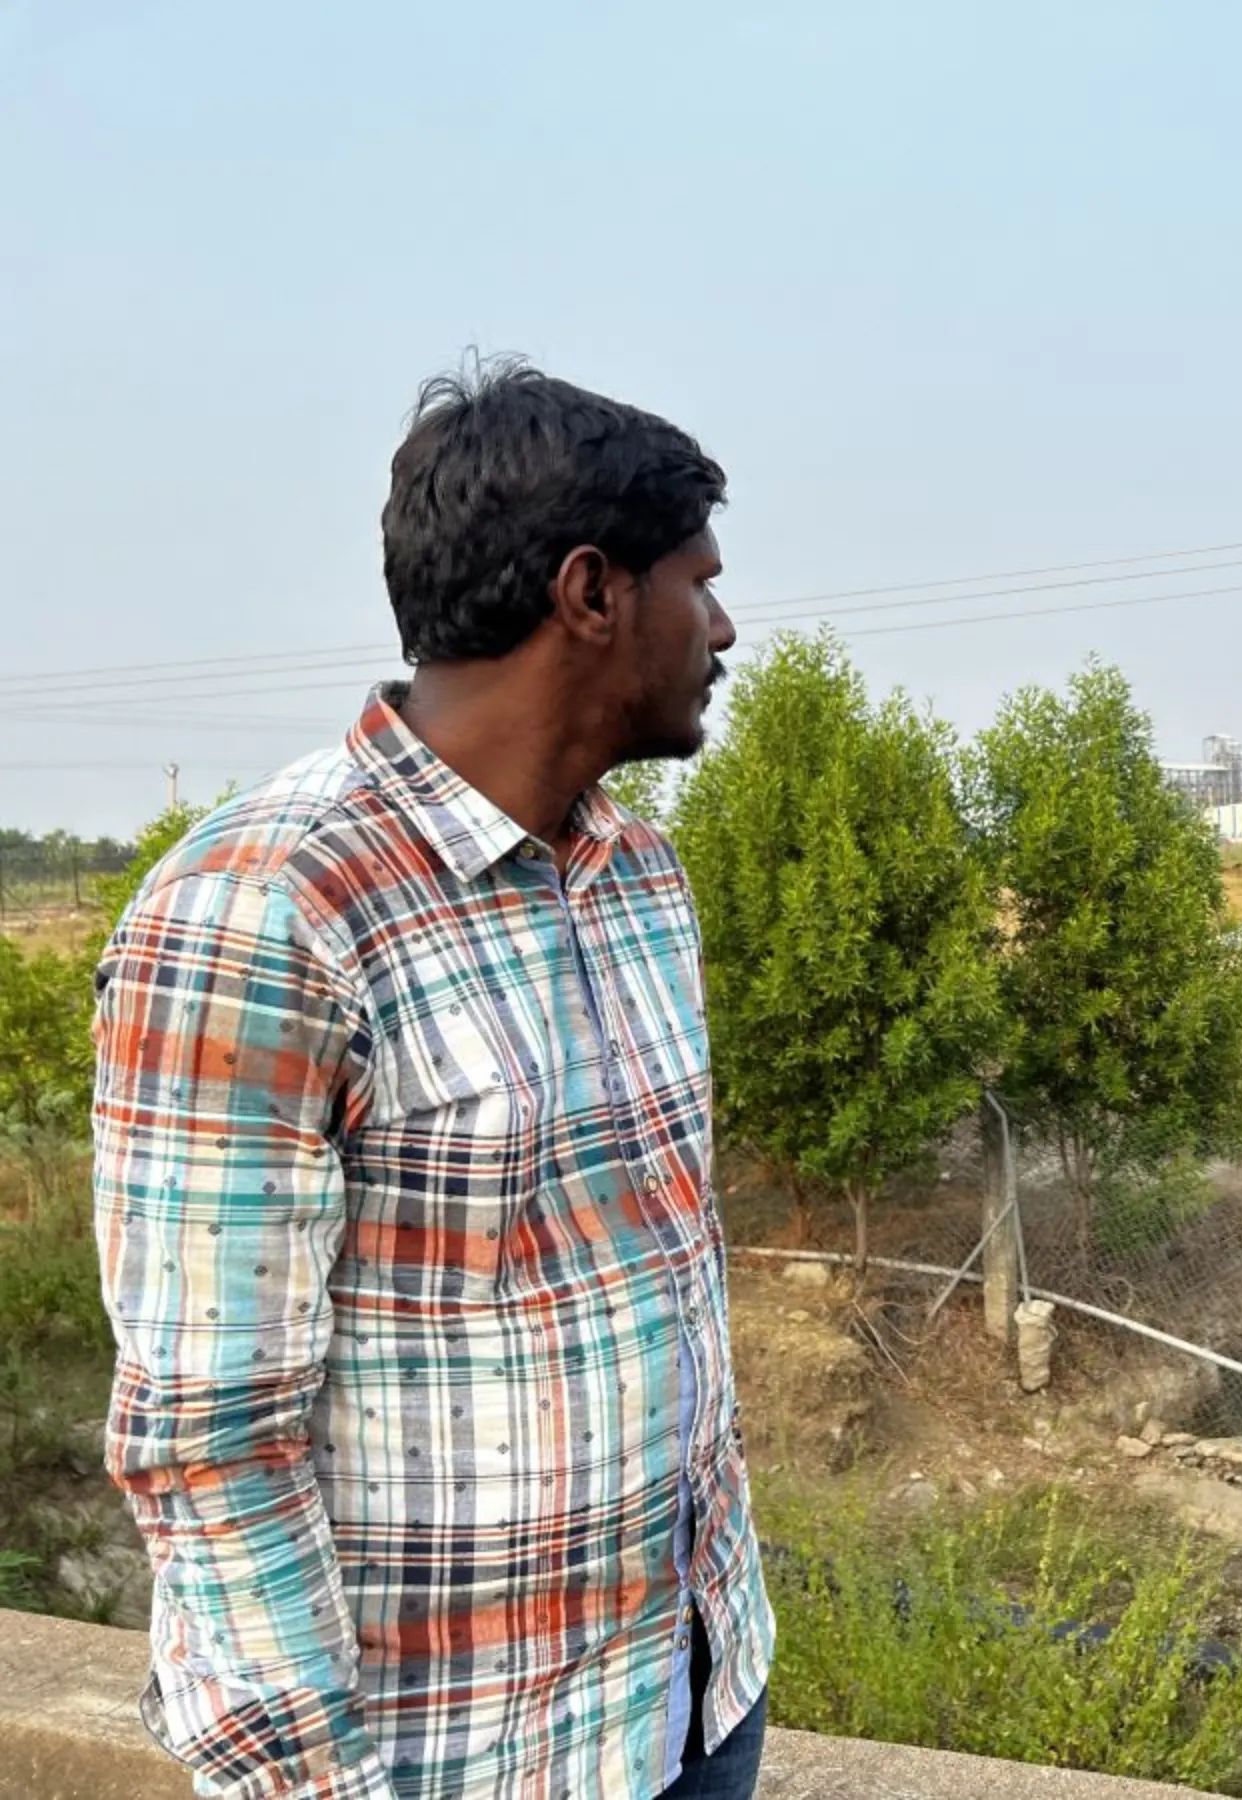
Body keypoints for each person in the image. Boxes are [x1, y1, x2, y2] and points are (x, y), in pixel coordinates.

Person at [91, 359, 773, 1799]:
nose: (723, 629)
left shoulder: (641, 877)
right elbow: (210, 1446)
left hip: (696, 1691)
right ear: (591, 594)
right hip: (462, 1757)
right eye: (697, 584)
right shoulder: (263, 913)